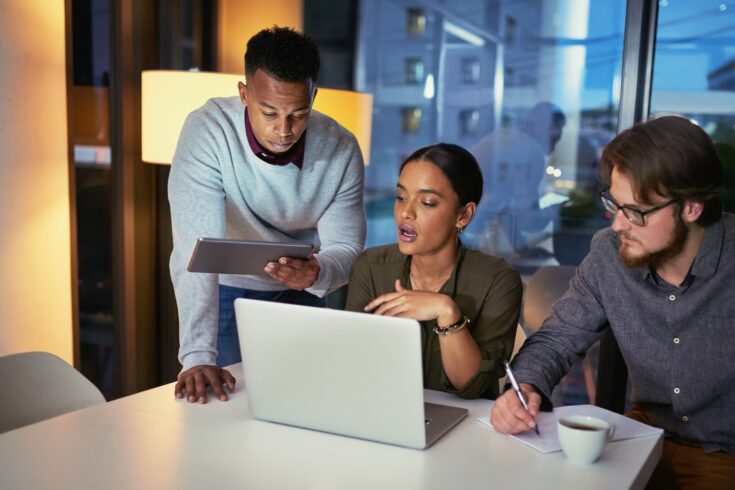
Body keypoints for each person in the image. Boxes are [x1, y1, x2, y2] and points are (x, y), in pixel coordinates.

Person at [490, 116, 735, 488]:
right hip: (642, 437)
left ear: (691, 208)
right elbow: (557, 338)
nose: (619, 224)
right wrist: (525, 386)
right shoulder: (609, 253)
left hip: (724, 451)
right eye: (614, 205)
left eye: (636, 212)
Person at [169, 27, 366, 404]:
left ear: (314, 97)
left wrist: (318, 272)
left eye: (298, 113)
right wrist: (195, 356)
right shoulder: (208, 131)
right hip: (224, 291)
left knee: (310, 406)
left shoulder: (341, 148)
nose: (284, 129)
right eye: (269, 112)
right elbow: (195, 252)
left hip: (303, 290)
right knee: (226, 414)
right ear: (244, 94)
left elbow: (347, 246)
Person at [345, 143, 522, 399]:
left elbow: (469, 386)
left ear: (463, 215)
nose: (406, 212)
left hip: (467, 424)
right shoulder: (371, 267)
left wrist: (446, 311)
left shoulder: (498, 281)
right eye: (401, 197)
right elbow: (353, 365)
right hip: (382, 413)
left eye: (427, 202)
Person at [468, 102, 566, 258]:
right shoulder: (530, 152)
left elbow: (506, 212)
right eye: (555, 130)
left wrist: (523, 250)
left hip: (465, 222)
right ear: (537, 127)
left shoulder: (511, 140)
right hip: (468, 224)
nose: (558, 136)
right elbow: (527, 219)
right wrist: (555, 212)